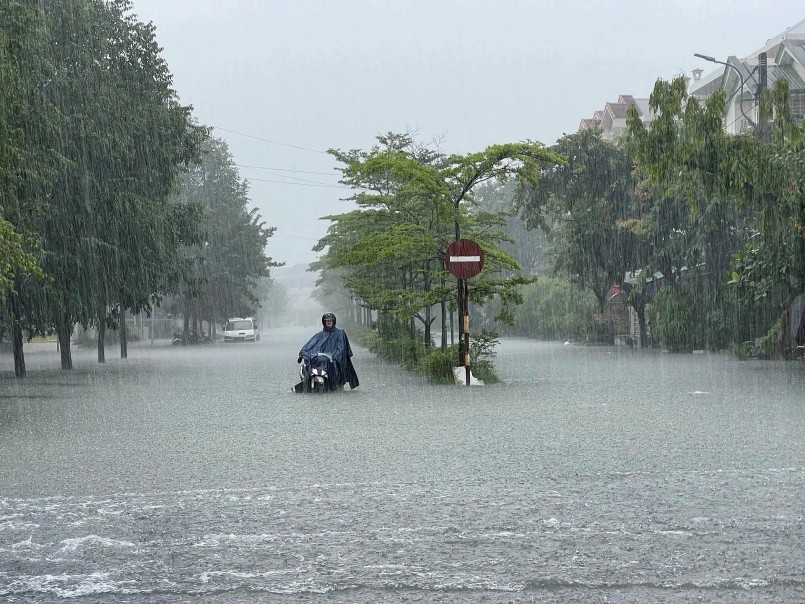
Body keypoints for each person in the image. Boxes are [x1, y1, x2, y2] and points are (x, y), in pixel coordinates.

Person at [297, 313, 359, 390]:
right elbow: (310, 344)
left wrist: (334, 356)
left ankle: (336, 384)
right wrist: (303, 353)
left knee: (334, 366)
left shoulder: (340, 333)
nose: (329, 322)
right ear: (324, 322)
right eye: (327, 321)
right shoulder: (319, 335)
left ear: (334, 321)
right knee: (310, 365)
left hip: (335, 361)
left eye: (330, 320)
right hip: (322, 361)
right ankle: (308, 381)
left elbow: (341, 348)